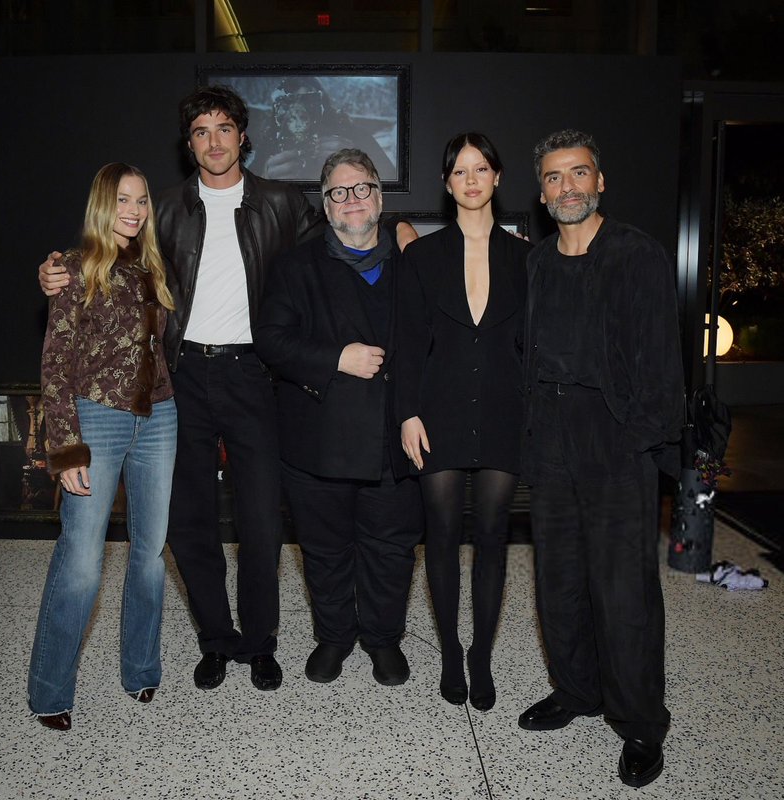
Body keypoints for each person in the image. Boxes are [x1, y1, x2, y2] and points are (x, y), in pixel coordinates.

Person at [39, 86, 322, 693]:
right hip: (181, 379)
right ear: (188, 142)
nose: (214, 141)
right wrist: (55, 267)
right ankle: (216, 639)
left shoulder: (281, 204)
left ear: (243, 136)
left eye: (225, 128)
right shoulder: (163, 209)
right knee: (190, 523)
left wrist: (401, 232)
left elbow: (335, 252)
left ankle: (260, 640)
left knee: (261, 522)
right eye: (201, 131)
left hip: (256, 376)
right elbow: (106, 255)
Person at [516, 130, 684, 788]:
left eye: (578, 174)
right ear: (540, 193)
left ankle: (639, 722)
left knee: (624, 591)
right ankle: (577, 692)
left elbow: (659, 360)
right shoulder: (534, 263)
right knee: (558, 580)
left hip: (614, 436)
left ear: (600, 181)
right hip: (551, 435)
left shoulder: (635, 255)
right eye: (555, 179)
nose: (567, 188)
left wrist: (639, 441)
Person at [255, 149, 422, 687]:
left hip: (394, 439)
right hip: (318, 440)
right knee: (324, 550)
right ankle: (334, 637)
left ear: (379, 197)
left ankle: (382, 639)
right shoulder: (294, 267)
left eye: (363, 188)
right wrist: (336, 359)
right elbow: (271, 341)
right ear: (325, 206)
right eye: (339, 192)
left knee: (390, 549)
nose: (352, 200)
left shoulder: (413, 262)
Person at [28, 162, 177, 731]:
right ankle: (49, 690)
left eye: (141, 200)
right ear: (101, 204)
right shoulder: (69, 268)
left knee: (149, 554)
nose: (134, 211)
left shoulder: (152, 267)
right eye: (122, 200)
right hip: (96, 420)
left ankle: (141, 668)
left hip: (160, 417)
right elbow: (55, 365)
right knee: (83, 561)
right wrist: (65, 450)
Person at [395, 133, 531, 711]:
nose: (471, 179)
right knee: (443, 537)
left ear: (497, 177)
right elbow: (406, 343)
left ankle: (482, 653)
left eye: (481, 168)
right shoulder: (422, 256)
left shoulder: (528, 257)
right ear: (447, 182)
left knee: (494, 536)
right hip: (438, 412)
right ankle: (451, 650)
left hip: (504, 410)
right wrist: (406, 413)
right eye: (460, 170)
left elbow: (535, 345)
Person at [249, 77, 398, 182]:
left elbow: (389, 182)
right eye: (288, 105)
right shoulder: (269, 141)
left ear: (323, 105)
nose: (300, 114)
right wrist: (265, 176)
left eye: (309, 102)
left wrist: (354, 161)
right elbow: (244, 192)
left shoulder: (354, 136)